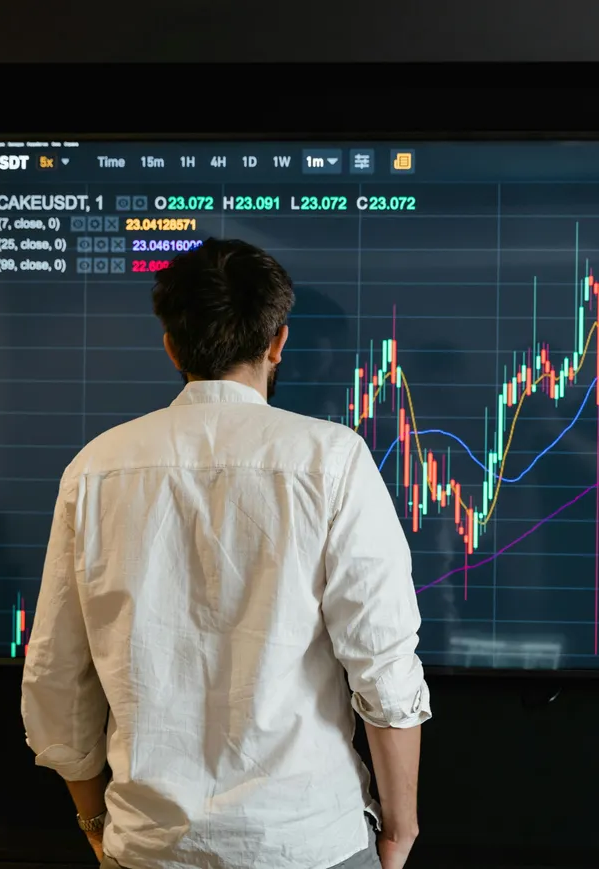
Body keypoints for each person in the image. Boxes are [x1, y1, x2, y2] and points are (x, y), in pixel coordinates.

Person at [21, 238, 431, 869]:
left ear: (171, 345)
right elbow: (383, 666)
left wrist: (94, 820)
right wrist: (400, 831)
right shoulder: (332, 459)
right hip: (309, 841)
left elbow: (55, 676)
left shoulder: (96, 468)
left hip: (150, 845)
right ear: (277, 343)